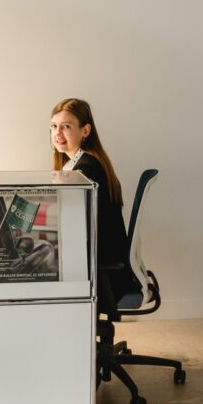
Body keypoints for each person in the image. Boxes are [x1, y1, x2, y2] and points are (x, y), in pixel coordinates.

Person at [50, 98, 140, 303]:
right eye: (54, 126)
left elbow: (70, 221)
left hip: (101, 271)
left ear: (85, 131)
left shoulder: (85, 169)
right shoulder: (81, 163)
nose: (58, 133)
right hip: (98, 262)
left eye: (66, 126)